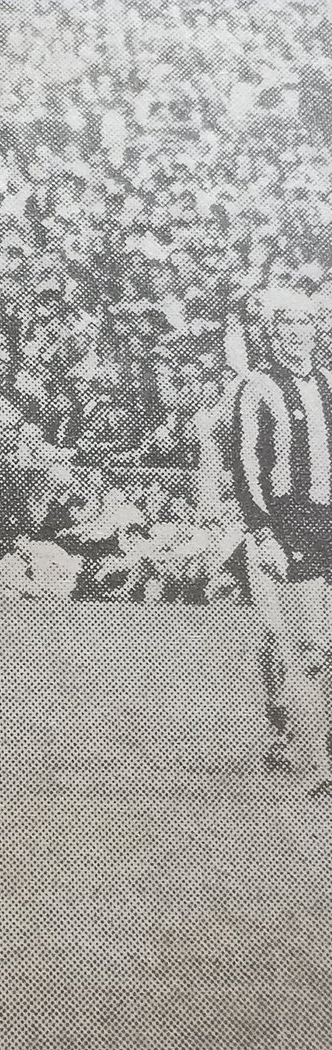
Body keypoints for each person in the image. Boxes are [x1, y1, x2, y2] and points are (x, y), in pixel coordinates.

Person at [230, 288, 332, 791]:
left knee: (310, 643)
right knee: (301, 643)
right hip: (288, 525)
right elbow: (245, 463)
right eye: (287, 324)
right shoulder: (258, 386)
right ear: (273, 332)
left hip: (328, 519)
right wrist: (261, 529)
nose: (298, 332)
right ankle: (301, 748)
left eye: (305, 323)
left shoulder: (329, 385)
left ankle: (304, 742)